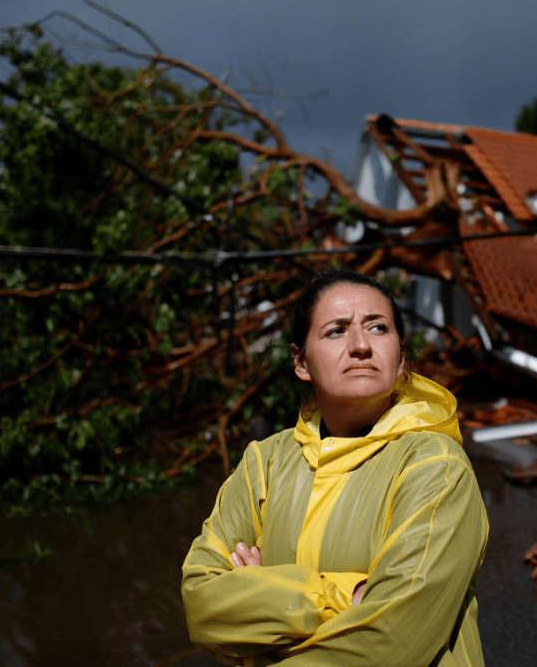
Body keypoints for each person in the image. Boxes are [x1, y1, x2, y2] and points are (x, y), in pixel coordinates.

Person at [182, 269, 489, 666]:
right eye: (336, 331)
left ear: (400, 359)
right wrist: (345, 595)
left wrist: (260, 596)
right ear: (301, 362)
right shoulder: (265, 462)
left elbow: (392, 643)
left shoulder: (435, 467)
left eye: (378, 328)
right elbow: (202, 607)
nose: (361, 345)